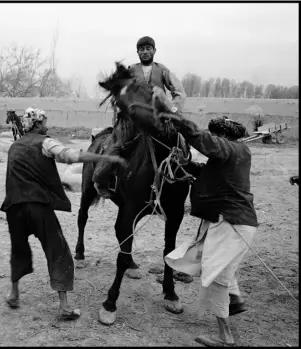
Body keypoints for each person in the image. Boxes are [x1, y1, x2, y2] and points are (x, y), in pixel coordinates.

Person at [0, 107, 126, 320]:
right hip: (38, 206)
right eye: (45, 122)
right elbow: (69, 155)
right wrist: (104, 158)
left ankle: (13, 293)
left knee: (18, 250)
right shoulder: (46, 142)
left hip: (13, 207)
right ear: (38, 124)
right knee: (58, 251)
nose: (47, 126)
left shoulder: (14, 146)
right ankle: (64, 306)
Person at [161, 114, 259, 347]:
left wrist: (174, 116)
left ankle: (225, 336)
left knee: (216, 276)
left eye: (215, 135)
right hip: (232, 222)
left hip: (231, 224)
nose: (213, 138)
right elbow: (208, 171)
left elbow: (202, 139)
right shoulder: (235, 153)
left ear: (223, 136)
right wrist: (186, 164)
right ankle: (233, 301)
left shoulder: (230, 149)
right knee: (217, 268)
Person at [93, 35, 186, 198]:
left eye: (148, 48)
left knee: (181, 140)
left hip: (159, 117)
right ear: (137, 52)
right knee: (117, 144)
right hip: (132, 119)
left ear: (154, 50)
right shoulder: (130, 70)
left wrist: (173, 109)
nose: (145, 52)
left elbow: (179, 92)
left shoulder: (163, 70)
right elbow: (119, 91)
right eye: (141, 49)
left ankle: (184, 176)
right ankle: (101, 178)